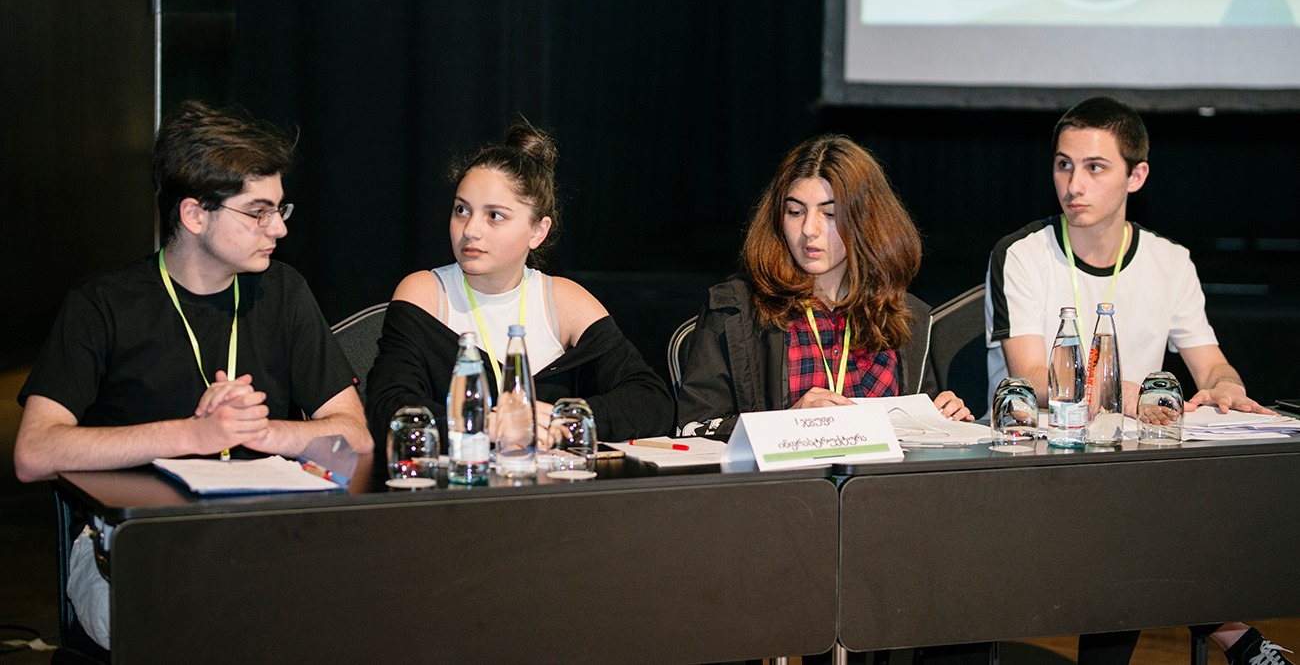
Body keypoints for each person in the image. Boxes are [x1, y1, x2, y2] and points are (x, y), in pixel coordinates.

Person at [14, 101, 372, 651]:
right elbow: (34, 453)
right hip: (134, 545)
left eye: (279, 209)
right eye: (257, 212)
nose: (278, 228)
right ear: (194, 215)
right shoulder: (102, 304)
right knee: (197, 624)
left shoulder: (284, 291)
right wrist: (192, 435)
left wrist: (260, 431)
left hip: (264, 536)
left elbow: (355, 437)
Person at [985, 95, 1292, 665]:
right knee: (1138, 509)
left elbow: (1212, 365)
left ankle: (1238, 639)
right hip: (1034, 462)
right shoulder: (1022, 255)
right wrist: (1128, 396)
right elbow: (1031, 378)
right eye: (1063, 164)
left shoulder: (1170, 261)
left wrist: (1227, 389)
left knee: (1153, 492)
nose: (1073, 184)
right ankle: (1238, 638)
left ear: (1137, 176)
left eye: (1094, 167)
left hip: (1127, 470)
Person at [364, 119, 673, 457]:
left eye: (494, 215)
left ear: (537, 231)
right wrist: (481, 425)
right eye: (461, 210)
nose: (470, 230)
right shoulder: (425, 293)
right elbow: (388, 409)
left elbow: (651, 401)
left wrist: (565, 421)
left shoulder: (563, 300)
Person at [677, 134, 973, 437]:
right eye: (795, 212)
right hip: (787, 469)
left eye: (829, 214)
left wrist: (943, 419)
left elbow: (917, 435)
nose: (809, 229)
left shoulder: (905, 315)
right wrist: (785, 424)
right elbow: (692, 428)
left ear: (867, 221)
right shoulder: (736, 309)